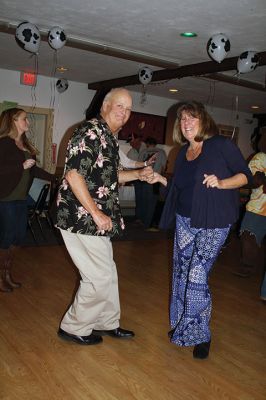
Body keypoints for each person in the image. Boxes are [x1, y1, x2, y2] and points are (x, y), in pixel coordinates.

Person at [56, 88, 166, 346]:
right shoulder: (90, 131)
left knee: (109, 272)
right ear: (105, 106)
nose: (124, 113)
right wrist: (95, 212)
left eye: (128, 109)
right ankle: (73, 326)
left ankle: (106, 322)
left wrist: (139, 174)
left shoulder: (109, 136)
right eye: (119, 106)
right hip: (81, 217)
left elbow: (112, 175)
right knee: (99, 277)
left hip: (94, 218)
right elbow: (74, 175)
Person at [159, 101, 252, 359]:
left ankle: (201, 335)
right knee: (180, 275)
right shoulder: (182, 153)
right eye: (183, 120)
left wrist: (222, 183)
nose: (186, 124)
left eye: (192, 118)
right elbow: (179, 187)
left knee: (197, 277)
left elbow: (246, 176)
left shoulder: (221, 145)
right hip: (184, 220)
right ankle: (181, 325)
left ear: (204, 121)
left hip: (214, 221)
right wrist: (160, 179)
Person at [0, 108, 55, 292]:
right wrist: (20, 166)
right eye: (24, 119)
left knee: (17, 238)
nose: (28, 122)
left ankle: (7, 274)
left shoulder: (24, 144)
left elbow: (33, 170)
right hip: (6, 198)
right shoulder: (3, 144)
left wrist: (55, 177)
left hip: (21, 199)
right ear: (13, 121)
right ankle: (1, 277)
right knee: (5, 239)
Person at [232, 130, 266, 286]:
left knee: (249, 236)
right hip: (259, 207)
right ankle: (248, 266)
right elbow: (250, 179)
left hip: (259, 208)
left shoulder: (260, 157)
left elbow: (250, 180)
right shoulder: (260, 157)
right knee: (249, 237)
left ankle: (248, 266)